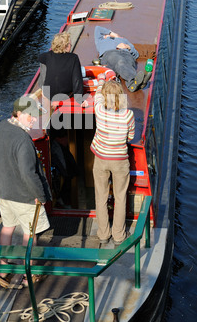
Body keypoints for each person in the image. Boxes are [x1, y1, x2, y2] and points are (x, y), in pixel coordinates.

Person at [0, 95, 51, 289]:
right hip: (23, 196)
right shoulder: (23, 140)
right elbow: (28, 173)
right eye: (30, 116)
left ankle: (4, 269)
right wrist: (41, 195)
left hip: (2, 192)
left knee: (7, 227)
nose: (33, 119)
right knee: (30, 234)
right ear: (20, 114)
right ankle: (28, 273)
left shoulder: (0, 127)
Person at [90, 73, 135, 245]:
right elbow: (130, 137)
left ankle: (103, 234)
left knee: (100, 197)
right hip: (119, 161)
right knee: (120, 197)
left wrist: (102, 79)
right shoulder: (128, 115)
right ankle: (118, 235)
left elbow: (97, 96)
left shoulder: (99, 110)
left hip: (101, 159)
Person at [94, 25, 151, 92]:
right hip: (110, 53)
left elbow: (136, 54)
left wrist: (128, 47)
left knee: (127, 63)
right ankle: (135, 82)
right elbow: (97, 29)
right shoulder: (100, 41)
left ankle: (136, 84)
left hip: (126, 54)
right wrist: (113, 34)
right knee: (120, 61)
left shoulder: (124, 40)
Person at [39, 32, 88, 106]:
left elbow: (40, 57)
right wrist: (79, 99)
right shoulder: (73, 58)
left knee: (43, 63)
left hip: (48, 93)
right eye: (70, 44)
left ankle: (43, 89)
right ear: (66, 46)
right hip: (65, 94)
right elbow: (77, 79)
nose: (70, 46)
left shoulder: (47, 56)